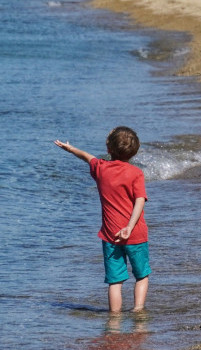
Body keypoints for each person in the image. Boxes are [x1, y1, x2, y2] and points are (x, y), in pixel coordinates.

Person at [55, 128, 149, 313]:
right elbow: (139, 201)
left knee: (115, 281)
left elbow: (87, 157)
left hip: (110, 235)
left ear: (108, 148)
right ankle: (138, 310)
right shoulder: (136, 173)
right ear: (135, 151)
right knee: (142, 276)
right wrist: (129, 227)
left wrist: (71, 149)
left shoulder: (101, 169)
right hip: (136, 234)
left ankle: (114, 318)